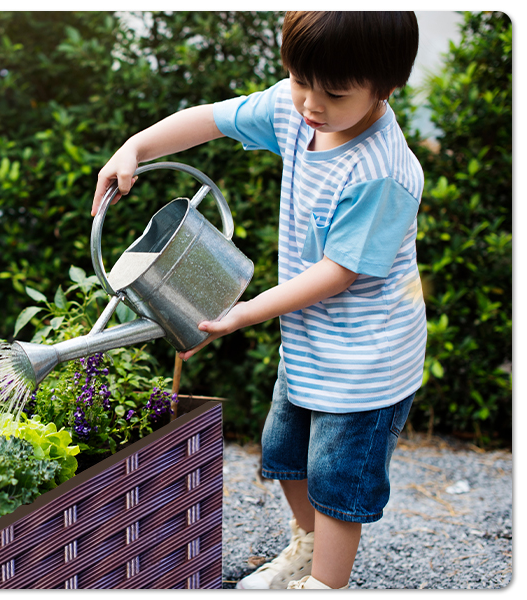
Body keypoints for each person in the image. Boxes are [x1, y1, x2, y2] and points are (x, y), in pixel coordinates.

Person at [92, 12, 423, 590]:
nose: (310, 105)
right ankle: (309, 544)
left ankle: (326, 584)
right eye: (298, 80)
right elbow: (213, 120)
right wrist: (136, 147)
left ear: (387, 87)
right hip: (311, 341)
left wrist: (244, 311)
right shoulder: (298, 111)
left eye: (334, 94)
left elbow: (338, 272)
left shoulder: (382, 172)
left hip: (368, 360)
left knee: (336, 480)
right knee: (285, 450)